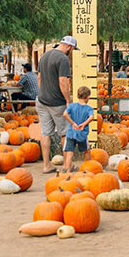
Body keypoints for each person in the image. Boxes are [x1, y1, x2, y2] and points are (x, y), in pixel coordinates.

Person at [37, 36, 76, 173]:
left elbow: (39, 77)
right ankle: (67, 165)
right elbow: (63, 82)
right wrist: (67, 100)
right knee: (65, 133)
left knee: (45, 133)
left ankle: (46, 165)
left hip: (42, 100)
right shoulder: (63, 59)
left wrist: (43, 93)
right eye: (72, 49)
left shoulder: (44, 56)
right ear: (69, 47)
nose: (71, 52)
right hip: (57, 102)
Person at [62, 86, 94, 173]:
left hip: (71, 133)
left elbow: (65, 114)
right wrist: (84, 124)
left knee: (69, 152)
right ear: (88, 97)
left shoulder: (72, 106)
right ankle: (88, 170)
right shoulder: (89, 108)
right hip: (82, 134)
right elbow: (91, 117)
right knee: (87, 151)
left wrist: (72, 123)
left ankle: (67, 171)